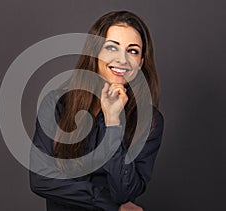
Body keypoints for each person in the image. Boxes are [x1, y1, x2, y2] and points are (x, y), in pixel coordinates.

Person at [29, 11, 164, 211]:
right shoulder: (57, 104)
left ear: (141, 62)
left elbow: (125, 191)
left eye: (133, 51)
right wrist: (109, 204)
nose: (122, 60)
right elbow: (41, 179)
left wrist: (113, 123)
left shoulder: (150, 121)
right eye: (112, 48)